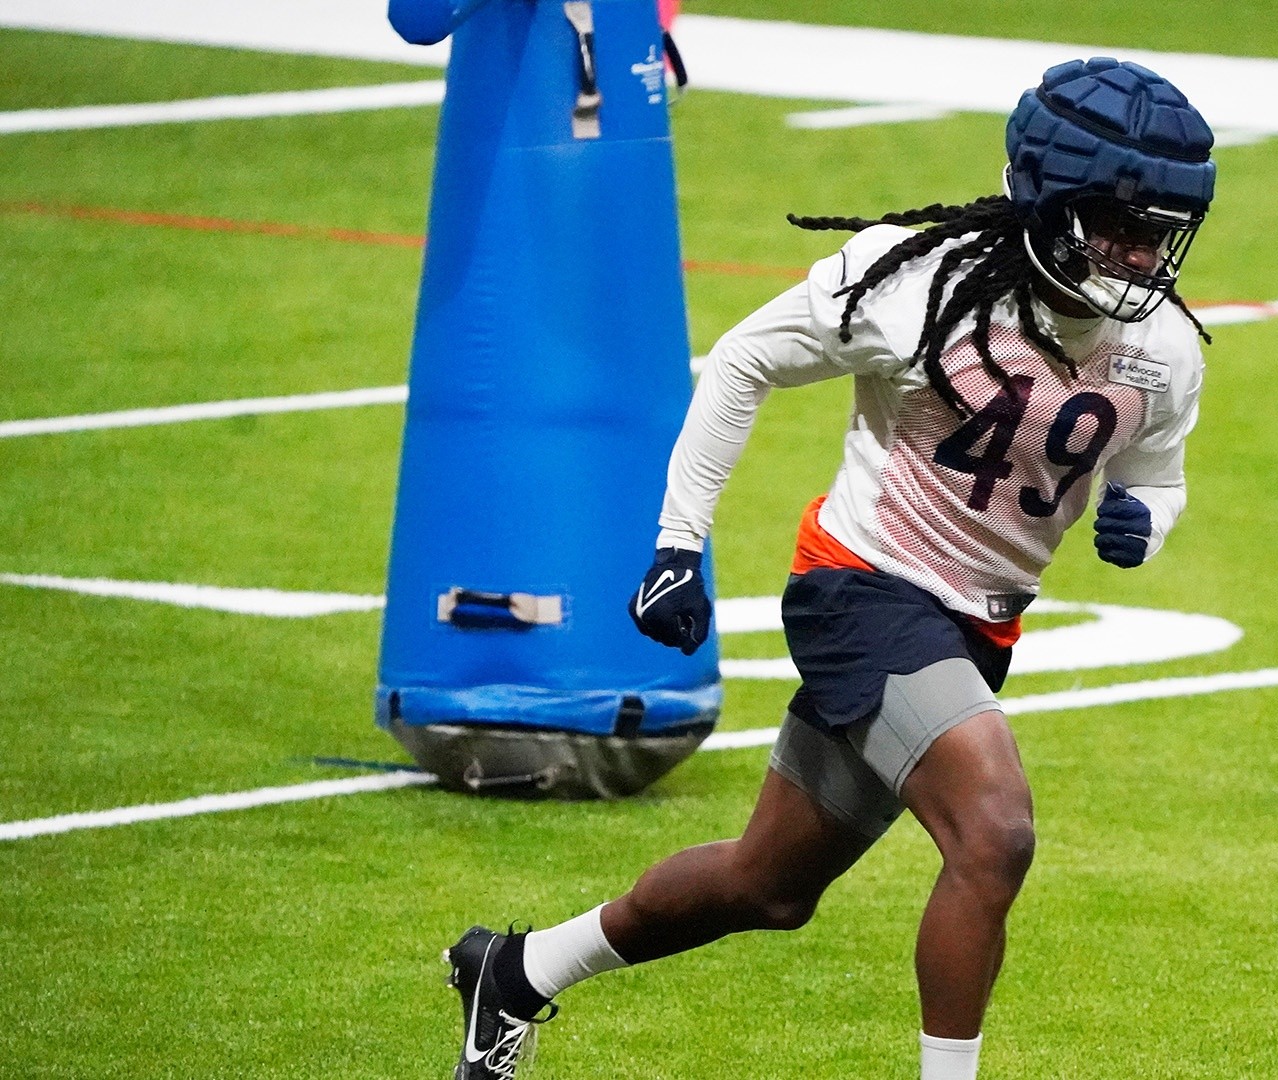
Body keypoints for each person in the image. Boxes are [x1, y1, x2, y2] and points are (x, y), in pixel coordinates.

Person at [444, 56, 1217, 1080]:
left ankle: (517, 970)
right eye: (1117, 222)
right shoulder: (915, 278)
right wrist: (678, 541)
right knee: (995, 832)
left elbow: (1159, 480)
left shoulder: (1162, 345)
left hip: (976, 629)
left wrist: (1142, 524)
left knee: (766, 887)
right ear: (1048, 196)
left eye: (1158, 230)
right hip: (865, 588)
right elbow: (743, 360)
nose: (1138, 254)